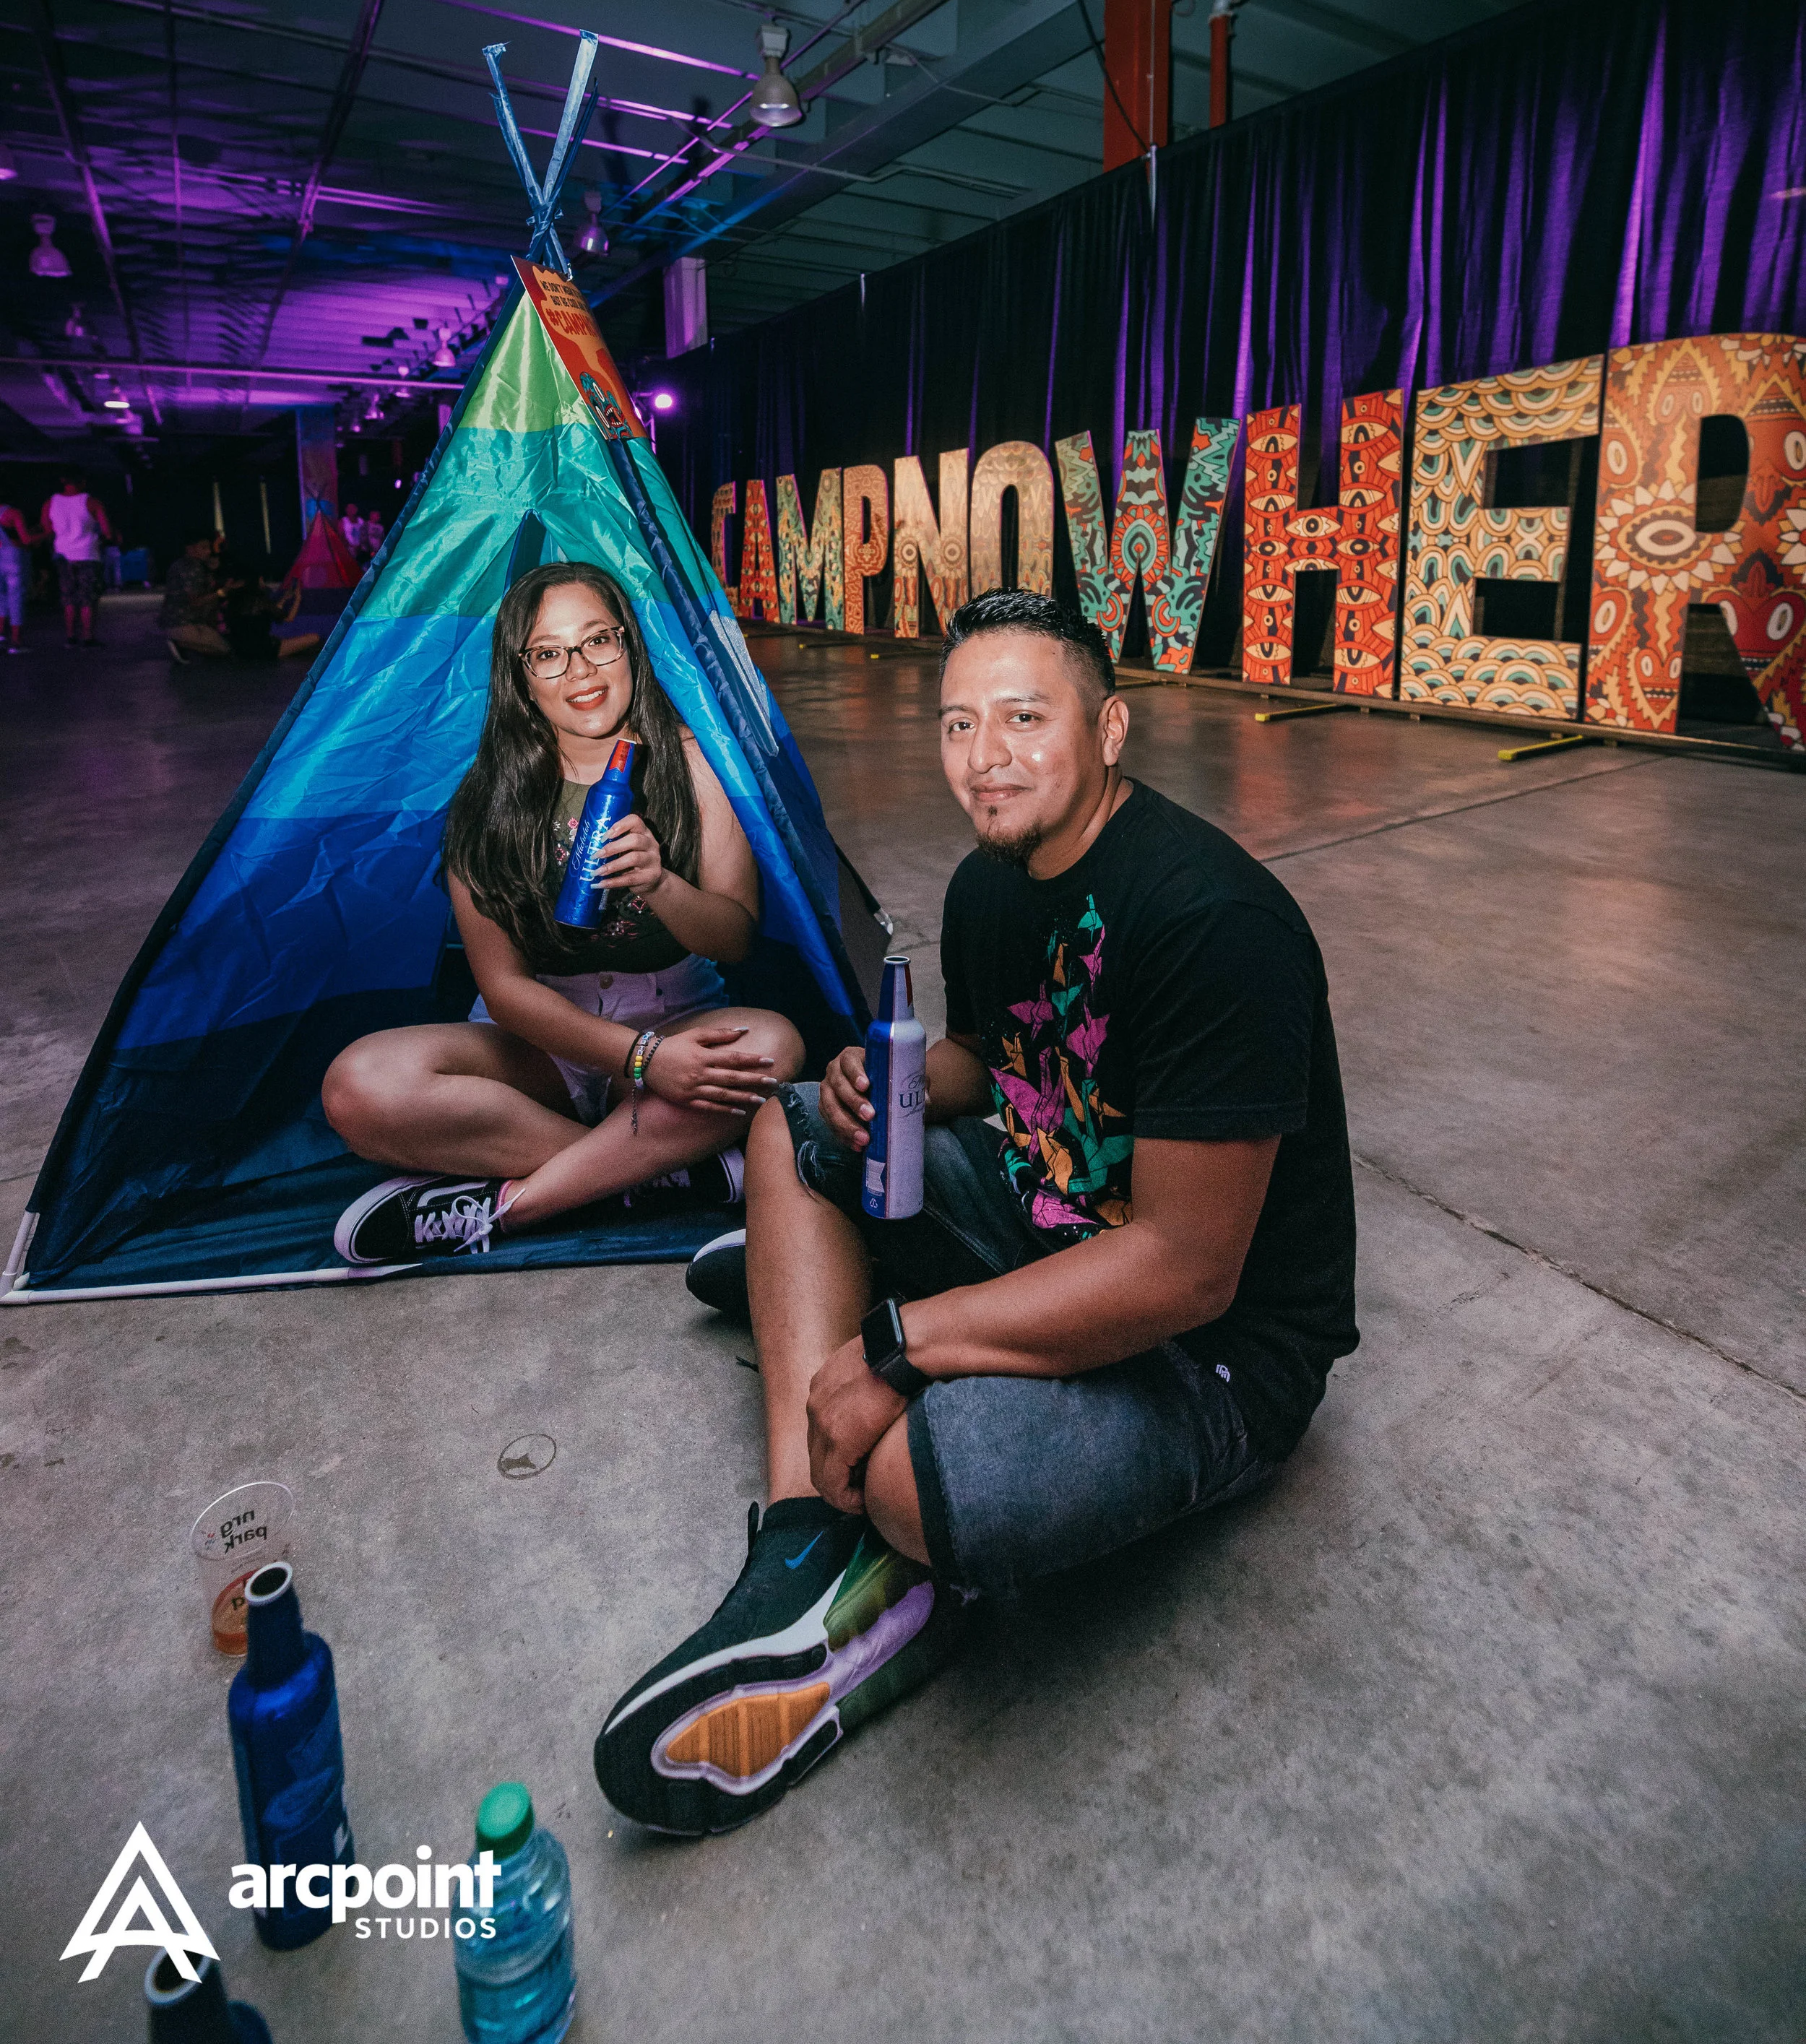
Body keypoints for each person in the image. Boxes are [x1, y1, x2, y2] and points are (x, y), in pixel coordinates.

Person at [595, 589, 1358, 1835]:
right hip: (1053, 1212)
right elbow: (996, 1059)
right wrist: (879, 1077)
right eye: (959, 725)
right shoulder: (990, 882)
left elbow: (1186, 1271)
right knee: (788, 1122)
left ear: (1109, 731)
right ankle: (797, 1539)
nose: (985, 759)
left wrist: (903, 1348)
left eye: (1022, 718)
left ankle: (851, 1339)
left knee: (907, 1475)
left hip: (1209, 1360)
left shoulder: (1216, 924)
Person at [324, 560, 805, 1265]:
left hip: (676, 1019)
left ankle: (510, 1209)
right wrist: (641, 1059)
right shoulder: (485, 798)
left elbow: (734, 939)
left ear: (630, 648)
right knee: (359, 1087)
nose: (580, 669)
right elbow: (504, 988)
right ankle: (661, 1172)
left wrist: (660, 881)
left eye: (598, 641)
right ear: (519, 675)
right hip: (540, 1054)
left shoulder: (692, 763)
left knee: (772, 1046)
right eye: (548, 653)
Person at [41, 476, 114, 646]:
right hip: (88, 554)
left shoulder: (50, 503)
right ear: (83, 481)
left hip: (63, 555)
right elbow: (107, 531)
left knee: (68, 597)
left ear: (63, 481)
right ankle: (88, 637)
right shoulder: (92, 502)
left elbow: (46, 527)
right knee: (88, 598)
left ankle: (70, 636)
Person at [160, 531, 231, 662]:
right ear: (190, 549)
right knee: (224, 649)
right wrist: (223, 592)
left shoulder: (180, 564)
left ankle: (191, 642)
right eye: (203, 548)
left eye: (209, 548)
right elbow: (196, 602)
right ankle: (182, 643)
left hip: (175, 621)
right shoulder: (193, 568)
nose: (208, 552)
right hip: (182, 623)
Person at [0, 496, 33, 652]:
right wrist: (45, 533)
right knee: (16, 599)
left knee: (1, 598)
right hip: (12, 558)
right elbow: (25, 539)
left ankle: (1, 635)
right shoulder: (13, 513)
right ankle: (16, 641)